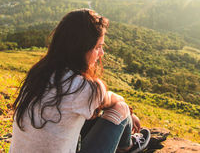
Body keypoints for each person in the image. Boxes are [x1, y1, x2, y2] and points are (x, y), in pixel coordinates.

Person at [9, 9, 150, 153]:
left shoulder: (38, 74)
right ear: (81, 49)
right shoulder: (85, 87)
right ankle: (128, 146)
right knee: (121, 108)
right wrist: (130, 113)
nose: (102, 53)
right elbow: (114, 101)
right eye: (98, 47)